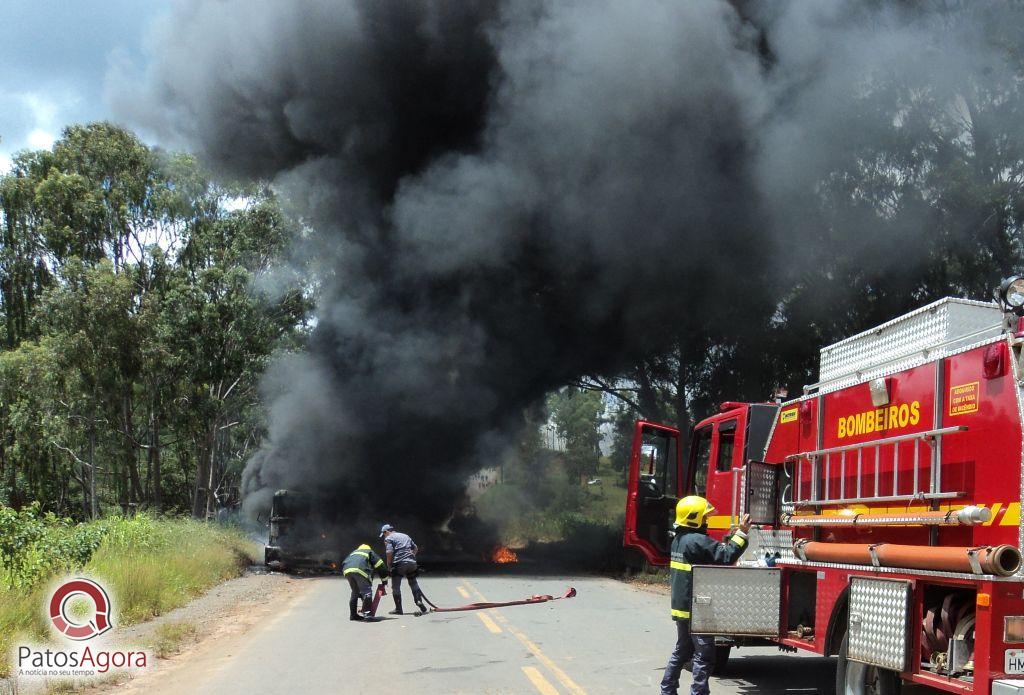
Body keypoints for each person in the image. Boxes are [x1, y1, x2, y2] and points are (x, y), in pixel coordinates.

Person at [661, 496, 751, 695]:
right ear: (694, 518)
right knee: (705, 656)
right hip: (697, 610)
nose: (707, 521)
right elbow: (727, 556)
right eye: (704, 517)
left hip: (682, 607)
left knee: (682, 651)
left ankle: (667, 690)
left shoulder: (679, 540)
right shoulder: (697, 540)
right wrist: (741, 534)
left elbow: (710, 553)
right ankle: (698, 692)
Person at [379, 524, 429, 615]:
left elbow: (389, 553)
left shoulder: (388, 538)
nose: (384, 537)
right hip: (412, 563)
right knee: (413, 583)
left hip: (400, 563)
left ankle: (398, 609)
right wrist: (411, 555)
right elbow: (415, 548)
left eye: (383, 534)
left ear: (386, 532)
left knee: (396, 586)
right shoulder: (405, 536)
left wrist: (389, 566)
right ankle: (418, 601)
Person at [342, 543, 388, 621]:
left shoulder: (354, 553)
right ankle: (368, 615)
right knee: (367, 591)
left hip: (347, 570)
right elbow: (381, 566)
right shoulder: (369, 552)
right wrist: (384, 581)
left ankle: (353, 615)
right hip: (359, 569)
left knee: (355, 592)